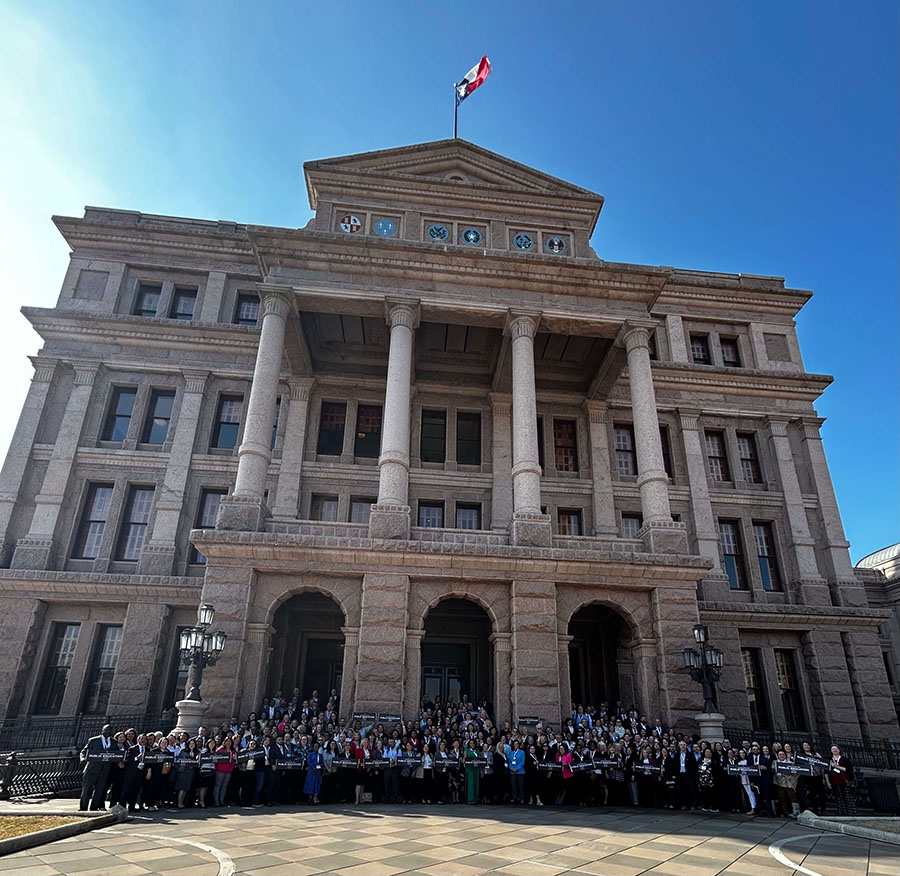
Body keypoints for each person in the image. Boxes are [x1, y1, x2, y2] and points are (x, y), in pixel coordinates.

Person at [79, 723, 115, 811]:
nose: (107, 732)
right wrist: (83, 758)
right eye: (106, 730)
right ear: (102, 730)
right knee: (87, 789)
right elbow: (84, 751)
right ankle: (83, 807)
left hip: (105, 769)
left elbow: (116, 754)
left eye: (109, 731)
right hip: (92, 768)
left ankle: (94, 807)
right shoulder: (94, 740)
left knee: (100, 789)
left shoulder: (114, 742)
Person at [826, 745, 856, 815]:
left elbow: (849, 770)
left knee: (848, 797)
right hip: (835, 781)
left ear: (839, 750)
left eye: (836, 749)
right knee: (839, 798)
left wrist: (836, 766)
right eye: (833, 749)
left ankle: (852, 813)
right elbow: (826, 772)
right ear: (831, 751)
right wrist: (828, 782)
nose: (835, 750)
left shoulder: (845, 759)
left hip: (847, 781)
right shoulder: (829, 760)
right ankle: (842, 813)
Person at [773, 750, 799, 818]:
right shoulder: (775, 763)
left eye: (783, 754)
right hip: (780, 783)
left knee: (792, 797)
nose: (781, 756)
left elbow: (796, 773)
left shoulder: (791, 763)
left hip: (789, 783)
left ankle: (796, 812)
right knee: (782, 798)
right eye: (780, 754)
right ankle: (785, 812)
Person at [175, 737, 199, 808]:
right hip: (183, 772)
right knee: (182, 787)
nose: (192, 745)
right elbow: (179, 760)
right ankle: (179, 802)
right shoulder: (183, 751)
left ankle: (182, 802)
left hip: (191, 772)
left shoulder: (196, 752)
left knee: (186, 788)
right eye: (190, 743)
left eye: (193, 743)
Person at [508, 739, 525, 804]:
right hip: (512, 772)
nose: (516, 745)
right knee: (514, 785)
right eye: (514, 744)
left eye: (517, 744)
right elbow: (509, 762)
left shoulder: (522, 752)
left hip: (520, 771)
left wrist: (517, 769)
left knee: (520, 785)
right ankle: (514, 797)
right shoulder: (511, 753)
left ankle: (521, 798)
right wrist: (512, 769)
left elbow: (522, 762)